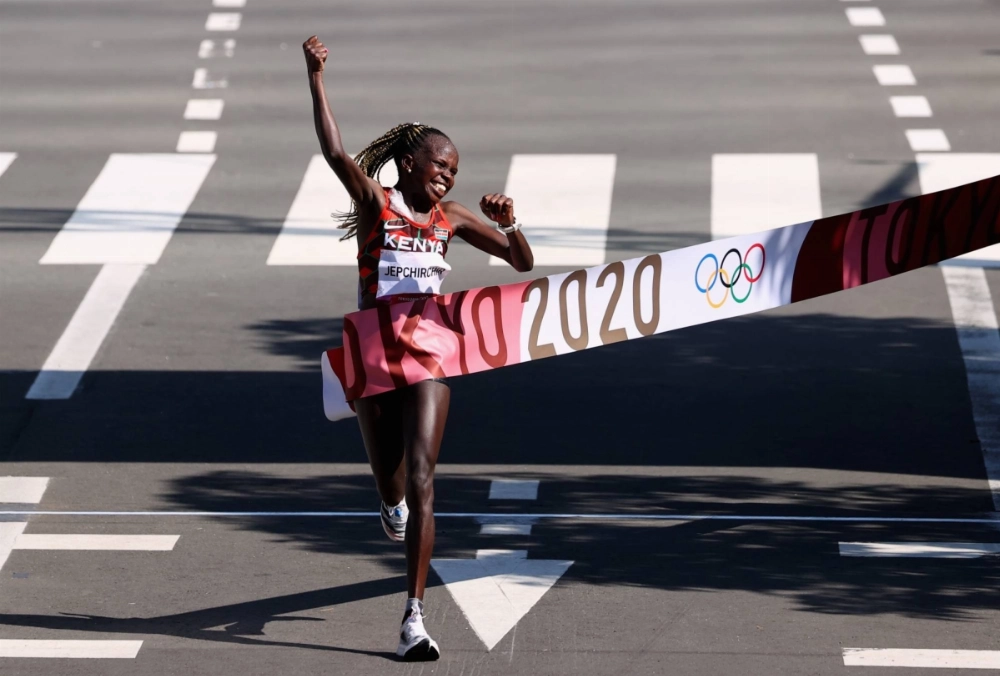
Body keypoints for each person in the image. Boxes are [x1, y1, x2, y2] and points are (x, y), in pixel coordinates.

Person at [303, 35, 534, 661]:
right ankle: (388, 500)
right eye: (439, 165)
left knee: (427, 479)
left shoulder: (451, 218)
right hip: (377, 352)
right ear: (410, 164)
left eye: (454, 170)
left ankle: (413, 617)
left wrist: (510, 221)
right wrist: (316, 77)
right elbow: (333, 151)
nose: (448, 175)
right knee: (393, 480)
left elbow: (520, 260)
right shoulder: (378, 206)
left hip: (430, 351)